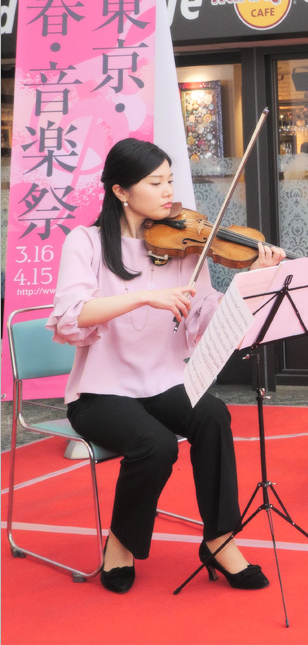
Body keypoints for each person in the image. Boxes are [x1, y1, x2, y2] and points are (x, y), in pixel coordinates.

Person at [49, 138, 287, 594]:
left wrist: (254, 281)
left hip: (162, 381)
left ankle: (219, 539)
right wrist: (141, 295)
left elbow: (207, 320)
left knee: (214, 416)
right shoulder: (87, 243)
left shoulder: (185, 246)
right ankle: (120, 541)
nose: (167, 192)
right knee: (156, 446)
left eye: (170, 181)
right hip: (101, 390)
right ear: (120, 190)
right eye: (155, 182)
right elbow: (70, 317)